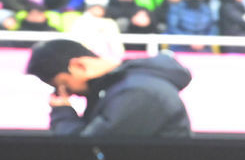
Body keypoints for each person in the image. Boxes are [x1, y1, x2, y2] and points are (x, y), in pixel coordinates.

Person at [25, 38, 192, 138]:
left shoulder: (137, 93)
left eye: (63, 85)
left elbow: (85, 151)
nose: (66, 93)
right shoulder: (120, 86)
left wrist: (62, 114)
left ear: (79, 66)